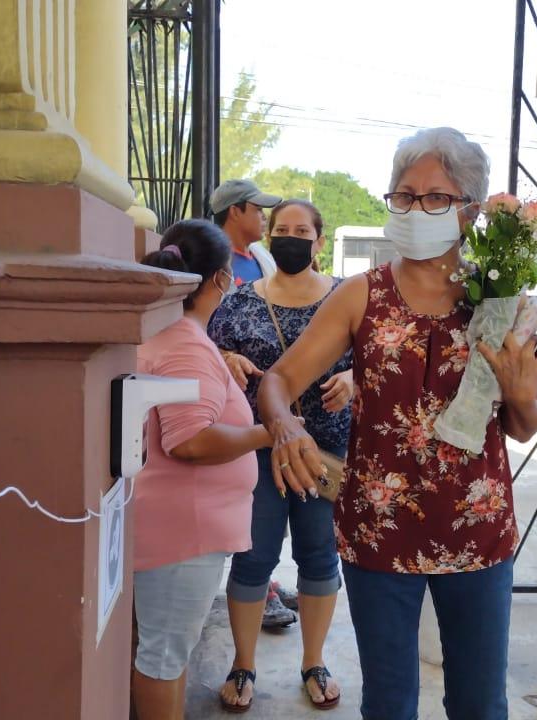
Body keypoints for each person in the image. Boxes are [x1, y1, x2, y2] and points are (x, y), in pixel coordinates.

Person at [257, 127, 537, 720]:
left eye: (435, 198)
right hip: (378, 529)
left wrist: (523, 395)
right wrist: (287, 427)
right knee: (389, 702)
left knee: (479, 702)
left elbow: (522, 425)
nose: (416, 209)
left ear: (468, 210)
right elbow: (278, 381)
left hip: (475, 526)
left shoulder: (500, 298)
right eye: (404, 195)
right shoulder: (361, 295)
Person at [208, 199, 356, 712]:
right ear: (269, 237)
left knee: (319, 556)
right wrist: (226, 358)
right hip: (258, 451)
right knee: (252, 558)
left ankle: (314, 660)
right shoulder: (240, 300)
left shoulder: (345, 298)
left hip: (326, 451)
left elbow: (380, 358)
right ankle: (243, 663)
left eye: (301, 230)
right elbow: (205, 351)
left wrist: (354, 378)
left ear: (319, 240)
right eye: (281, 229)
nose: (290, 237)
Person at [130, 219, 275, 720]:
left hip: (181, 528)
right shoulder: (187, 344)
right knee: (164, 657)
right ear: (219, 279)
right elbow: (189, 440)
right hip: (182, 533)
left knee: (167, 653)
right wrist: (267, 433)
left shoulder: (179, 336)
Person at [210, 178, 300, 629]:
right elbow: (197, 324)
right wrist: (224, 357)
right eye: (258, 210)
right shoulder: (213, 260)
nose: (264, 219)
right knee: (254, 507)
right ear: (235, 212)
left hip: (276, 400)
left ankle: (264, 584)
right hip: (237, 405)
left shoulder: (259, 260)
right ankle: (256, 587)